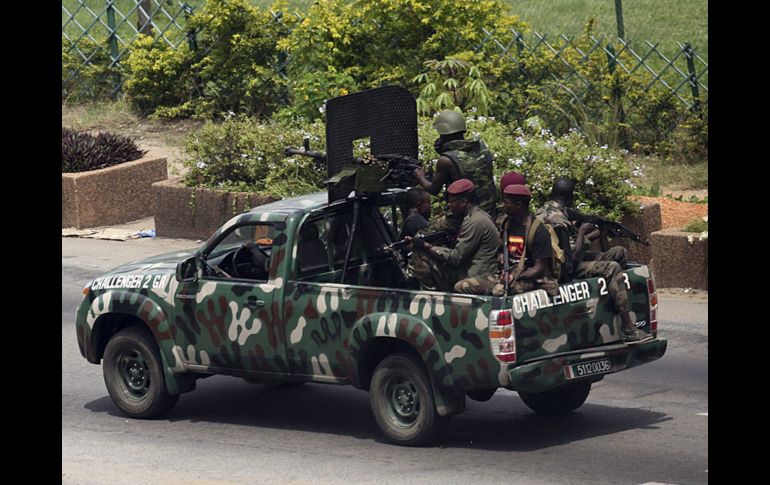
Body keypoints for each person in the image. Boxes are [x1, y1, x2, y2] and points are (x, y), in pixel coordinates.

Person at [535, 177, 647, 342]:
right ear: (569, 197)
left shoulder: (541, 211)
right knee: (612, 267)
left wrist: (600, 232)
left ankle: (615, 297)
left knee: (619, 252)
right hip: (565, 267)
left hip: (556, 261)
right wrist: (582, 231)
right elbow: (571, 258)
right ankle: (628, 327)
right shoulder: (560, 220)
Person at [406, 179, 499, 294]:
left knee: (420, 254)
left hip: (478, 275)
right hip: (472, 271)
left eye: (452, 201)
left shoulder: (474, 221)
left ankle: (432, 297)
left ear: (464, 202)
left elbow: (455, 258)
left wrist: (425, 245)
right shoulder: (477, 216)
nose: (449, 205)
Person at [413, 110, 497, 229]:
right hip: (489, 212)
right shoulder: (481, 149)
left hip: (462, 217)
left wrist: (420, 177)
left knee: (422, 233)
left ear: (443, 135)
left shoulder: (446, 160)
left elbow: (433, 189)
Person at [492, 184, 556, 296]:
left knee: (498, 291)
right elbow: (503, 249)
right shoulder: (508, 224)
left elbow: (539, 268)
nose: (503, 206)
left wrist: (514, 277)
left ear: (518, 205)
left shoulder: (538, 231)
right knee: (465, 285)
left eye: (506, 202)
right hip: (509, 272)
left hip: (530, 276)